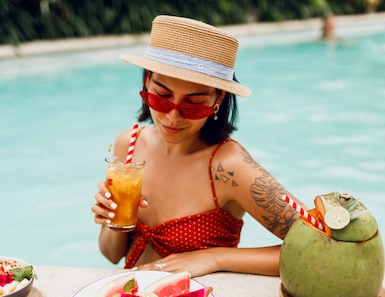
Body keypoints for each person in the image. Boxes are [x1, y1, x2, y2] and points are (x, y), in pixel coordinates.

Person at [91, 15, 308, 277]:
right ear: (147, 81)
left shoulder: (229, 167)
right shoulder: (129, 144)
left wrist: (216, 258)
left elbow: (319, 249)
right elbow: (112, 254)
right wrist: (113, 221)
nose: (173, 117)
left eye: (193, 104)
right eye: (161, 97)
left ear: (218, 99)